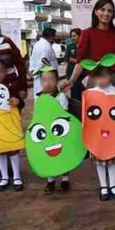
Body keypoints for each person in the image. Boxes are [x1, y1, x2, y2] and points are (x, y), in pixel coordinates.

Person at [64, 0, 115, 91]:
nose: (106, 13)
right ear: (96, 12)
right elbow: (80, 61)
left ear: (113, 14)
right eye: (102, 9)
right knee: (95, 106)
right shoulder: (87, 33)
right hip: (95, 79)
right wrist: (71, 81)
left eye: (110, 11)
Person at [87, 63, 115, 201]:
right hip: (97, 135)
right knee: (99, 161)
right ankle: (103, 186)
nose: (101, 80)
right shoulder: (90, 94)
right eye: (98, 77)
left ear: (110, 76)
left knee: (112, 160)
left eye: (105, 76)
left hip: (113, 134)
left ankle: (113, 185)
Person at [0, 59, 26, 192]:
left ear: (5, 72)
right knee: (0, 151)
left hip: (9, 125)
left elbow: (21, 104)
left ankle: (16, 176)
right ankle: (4, 177)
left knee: (13, 150)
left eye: (1, 71)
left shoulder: (10, 88)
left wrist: (17, 101)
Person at [36, 65, 72, 194]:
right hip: (47, 134)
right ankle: (50, 181)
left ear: (57, 81)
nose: (48, 83)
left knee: (63, 156)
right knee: (48, 156)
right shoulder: (39, 99)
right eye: (45, 80)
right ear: (40, 82)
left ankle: (65, 179)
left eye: (51, 79)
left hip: (60, 133)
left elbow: (64, 115)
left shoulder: (61, 97)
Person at [29, 27, 59, 97]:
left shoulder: (37, 44)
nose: (54, 39)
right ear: (51, 36)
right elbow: (43, 60)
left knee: (38, 96)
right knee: (46, 97)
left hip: (39, 76)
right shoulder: (46, 45)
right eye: (54, 36)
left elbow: (32, 59)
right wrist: (34, 73)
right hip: (45, 76)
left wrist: (31, 71)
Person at [64, 28, 84, 101]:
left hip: (83, 74)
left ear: (80, 36)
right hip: (71, 73)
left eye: (74, 36)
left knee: (82, 90)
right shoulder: (70, 46)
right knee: (74, 91)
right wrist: (77, 61)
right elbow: (66, 58)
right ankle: (76, 107)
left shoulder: (84, 46)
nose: (72, 38)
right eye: (71, 36)